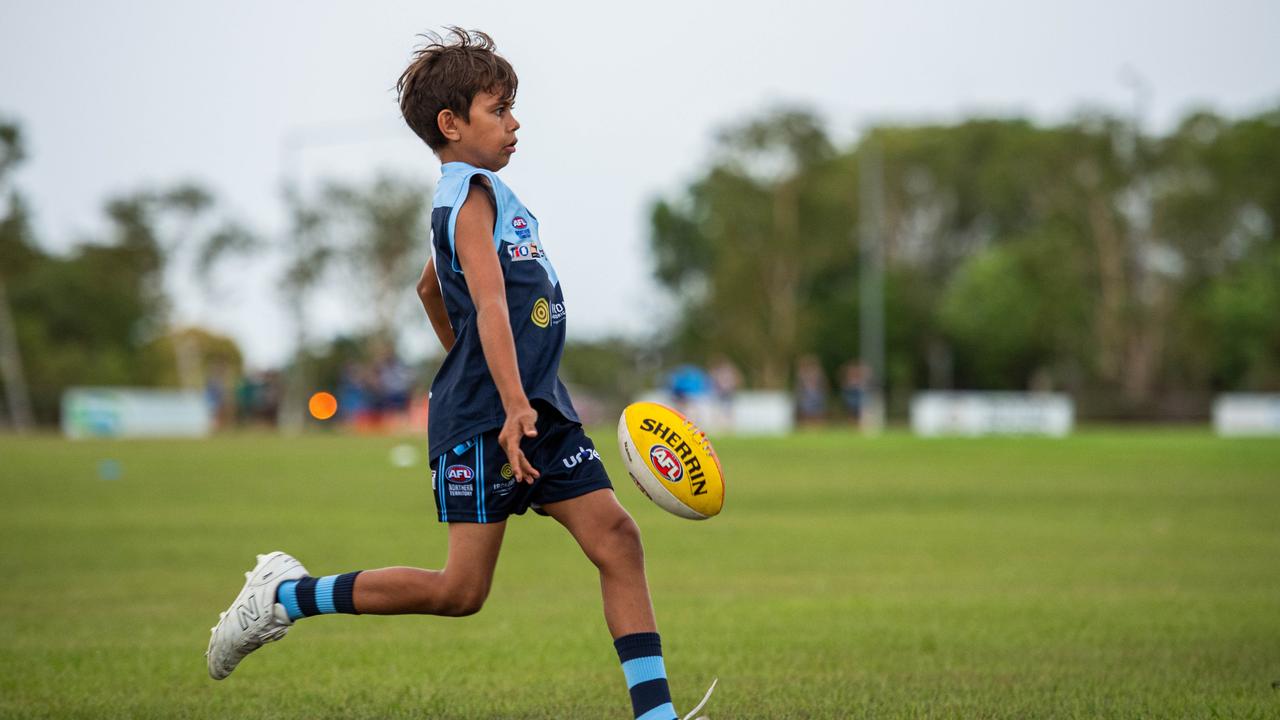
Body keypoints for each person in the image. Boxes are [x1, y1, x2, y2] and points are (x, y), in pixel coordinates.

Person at [205, 28, 714, 720]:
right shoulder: (470, 195)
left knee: (618, 540)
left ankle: (655, 716)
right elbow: (493, 299)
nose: (515, 122)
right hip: (495, 416)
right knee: (460, 591)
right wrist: (501, 399)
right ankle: (285, 596)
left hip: (534, 406)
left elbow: (428, 289)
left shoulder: (480, 196)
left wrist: (488, 370)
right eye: (499, 109)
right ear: (453, 124)